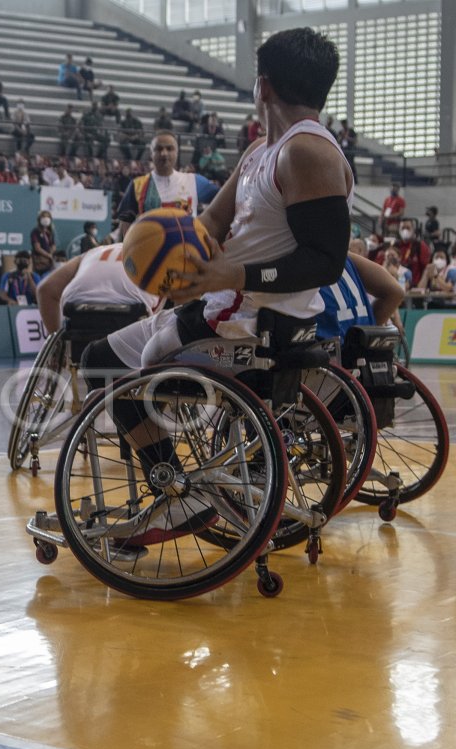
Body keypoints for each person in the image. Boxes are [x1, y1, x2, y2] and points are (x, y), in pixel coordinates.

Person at [80, 27, 353, 538]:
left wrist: (235, 272)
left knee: (127, 390)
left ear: (263, 87)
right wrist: (163, 255)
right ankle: (178, 481)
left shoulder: (308, 153)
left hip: (250, 326)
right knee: (97, 359)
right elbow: (206, 226)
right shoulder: (259, 153)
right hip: (217, 308)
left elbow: (326, 261)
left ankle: (177, 494)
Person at [114, 130, 221, 237]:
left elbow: (224, 202)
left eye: (169, 148)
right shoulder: (137, 185)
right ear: (151, 154)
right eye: (159, 149)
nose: (164, 153)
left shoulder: (194, 181)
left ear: (177, 152)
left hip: (187, 252)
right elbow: (124, 227)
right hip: (151, 251)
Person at [36, 243, 158, 336]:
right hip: (133, 322)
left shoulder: (93, 252)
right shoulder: (159, 255)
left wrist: (58, 341)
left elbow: (45, 289)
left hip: (78, 317)